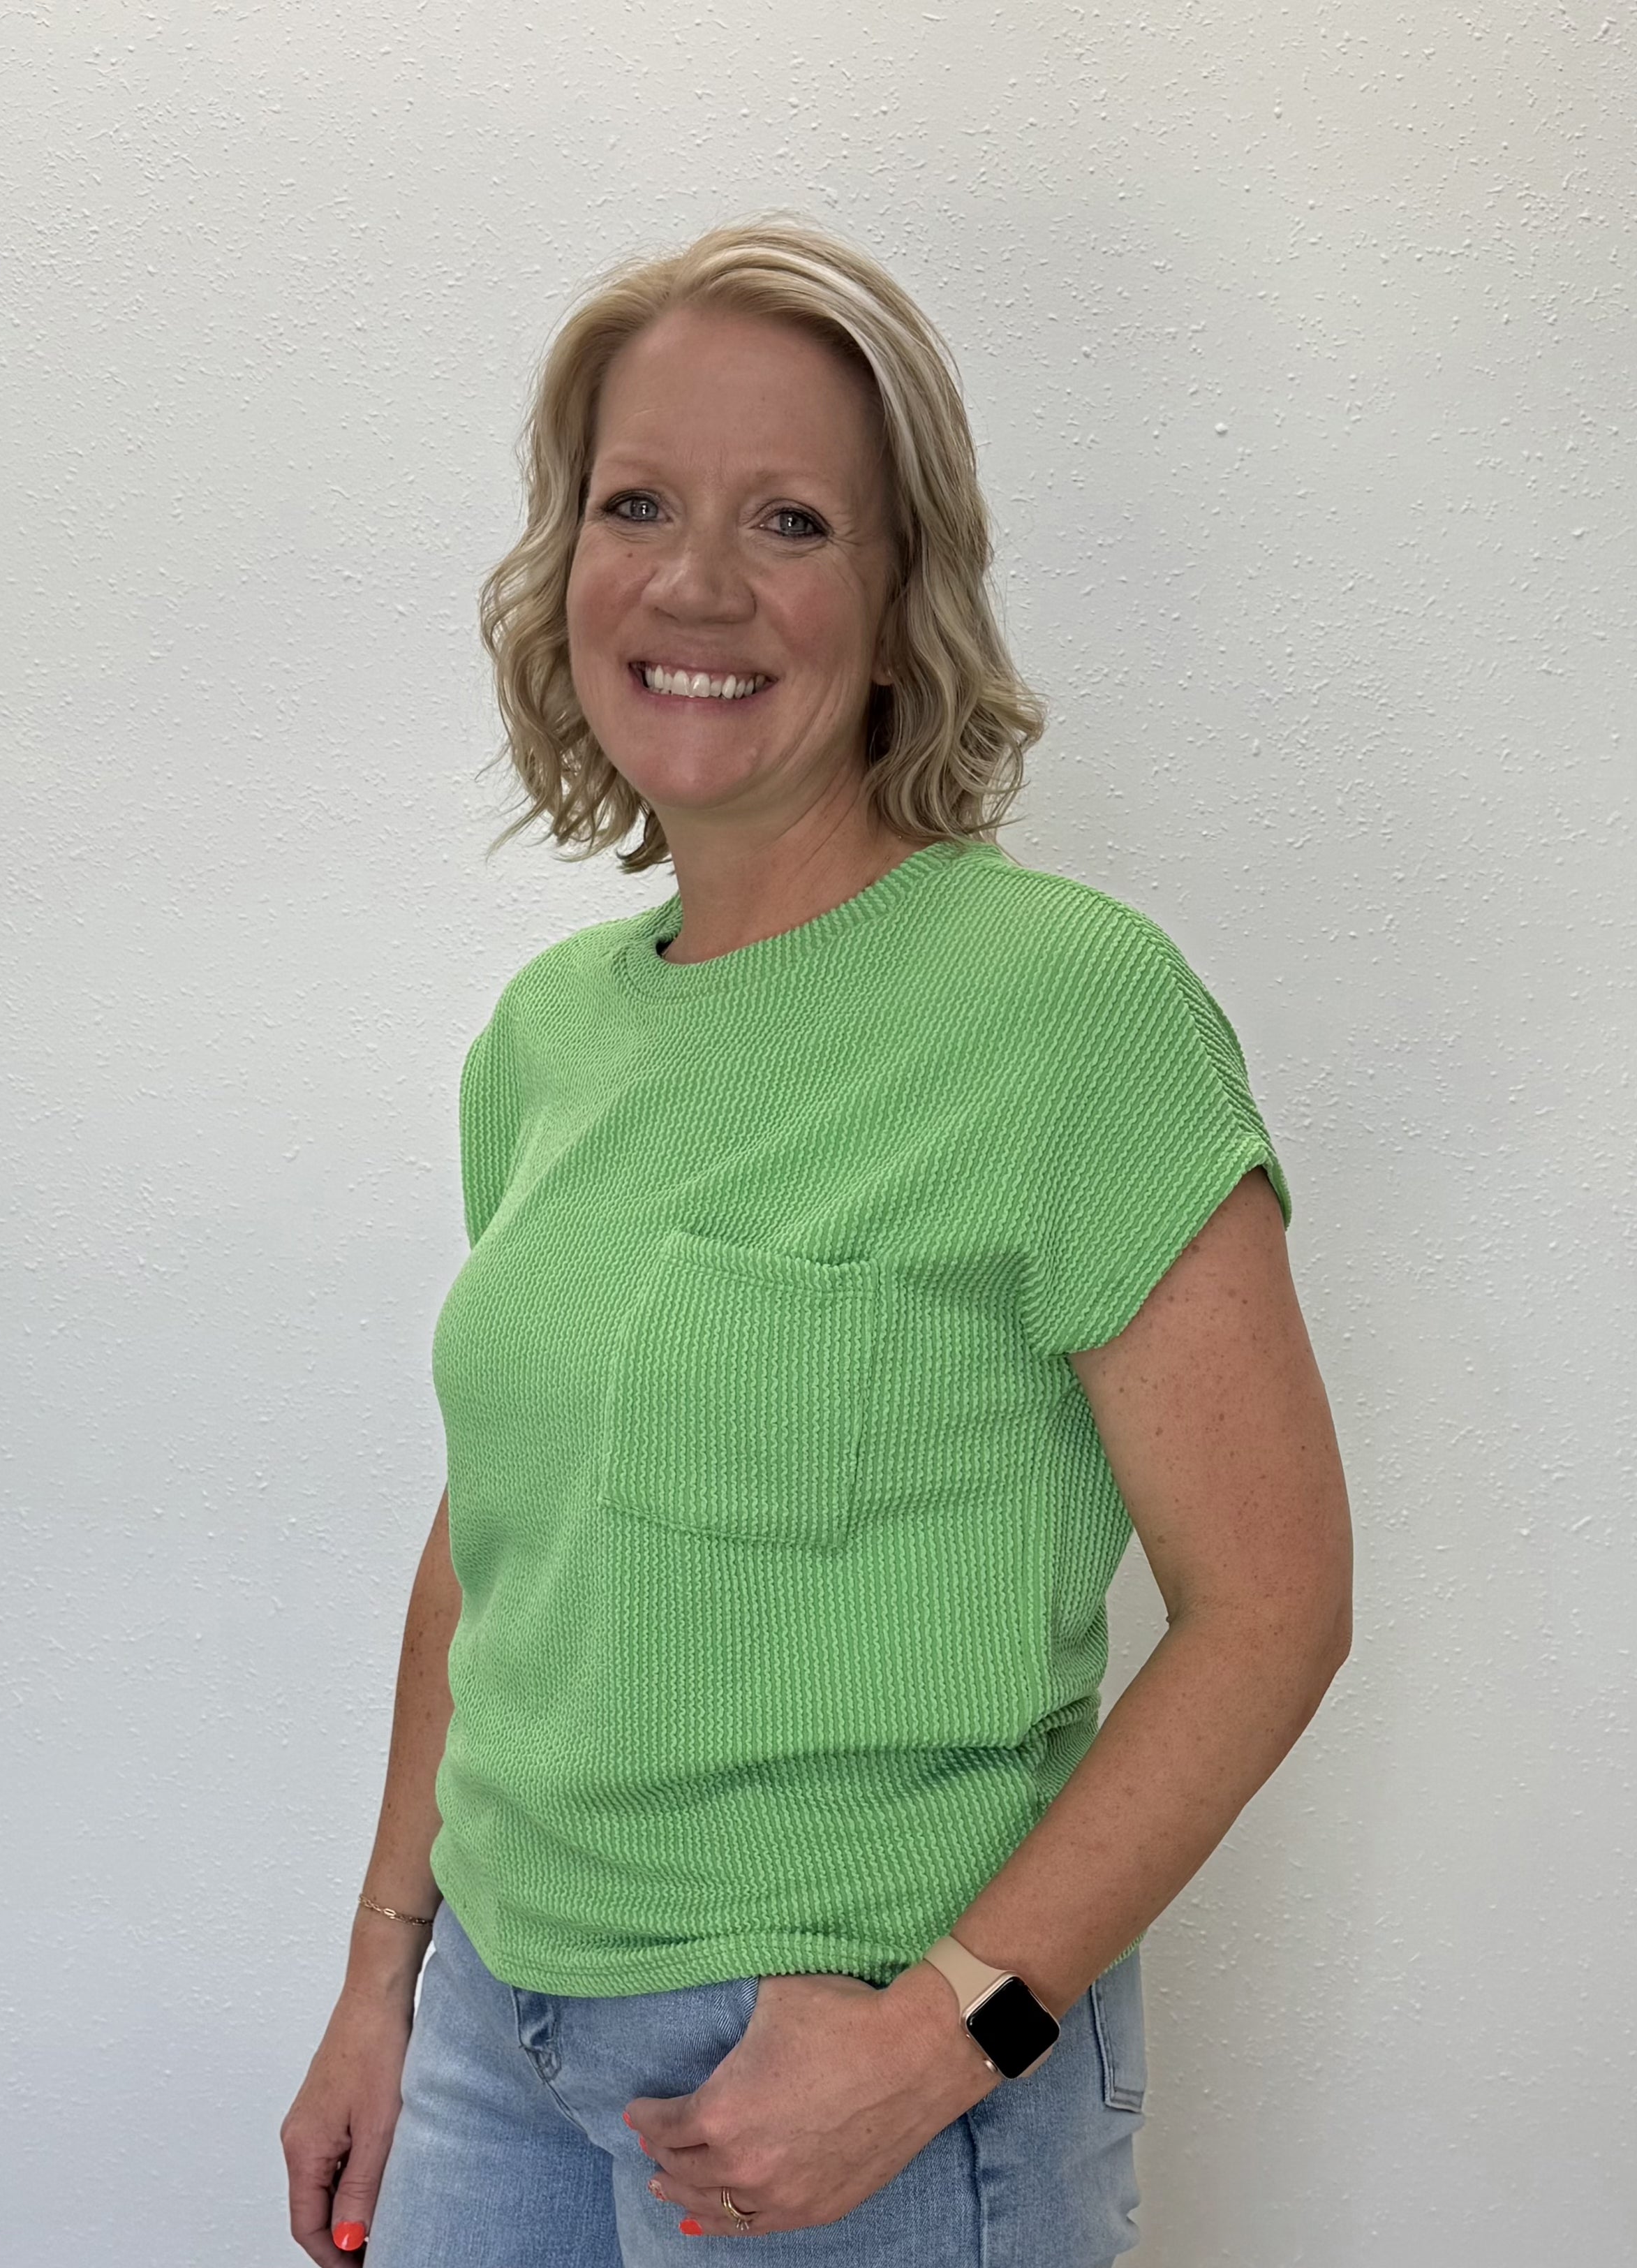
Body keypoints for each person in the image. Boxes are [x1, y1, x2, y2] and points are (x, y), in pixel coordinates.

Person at [280, 216, 1352, 2268]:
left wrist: (947, 2037)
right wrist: (379, 1978)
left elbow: (1274, 1607)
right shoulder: (547, 1036)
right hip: (495, 2035)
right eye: (637, 505)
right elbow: (499, 1534)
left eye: (789, 521)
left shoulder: (1070, 1013)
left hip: (844, 2075)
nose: (695, 583)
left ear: (897, 597)